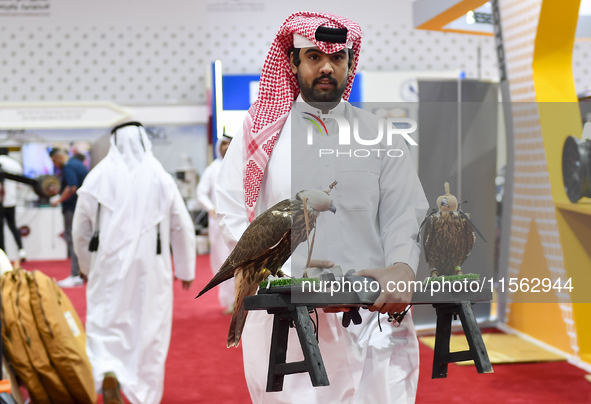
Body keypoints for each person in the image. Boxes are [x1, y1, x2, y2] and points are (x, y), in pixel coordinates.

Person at [215, 11, 429, 404]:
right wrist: (276, 271)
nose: (327, 66)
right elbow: (231, 211)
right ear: (293, 61)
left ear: (350, 62)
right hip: (288, 317)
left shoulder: (379, 133)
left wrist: (401, 266)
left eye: (338, 57)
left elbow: (404, 212)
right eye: (314, 56)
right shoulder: (261, 132)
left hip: (372, 314)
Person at [72, 122, 196, 404]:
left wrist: (85, 265)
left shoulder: (97, 176)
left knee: (105, 322)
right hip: (152, 267)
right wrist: (186, 268)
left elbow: (80, 228)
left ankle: (108, 371)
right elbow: (182, 225)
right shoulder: (160, 177)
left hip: (107, 264)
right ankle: (143, 393)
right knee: (149, 327)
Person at [196, 132, 234, 314]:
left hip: (240, 222)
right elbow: (200, 193)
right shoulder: (212, 169)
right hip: (219, 224)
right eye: (224, 143)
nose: (227, 147)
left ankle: (243, 299)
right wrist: (211, 208)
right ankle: (229, 300)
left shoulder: (241, 165)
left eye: (230, 143)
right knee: (222, 262)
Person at [50, 148, 89, 287]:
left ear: (59, 157)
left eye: (54, 161)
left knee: (73, 240)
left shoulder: (69, 167)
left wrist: (58, 200)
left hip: (72, 209)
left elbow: (72, 187)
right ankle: (82, 273)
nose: (55, 164)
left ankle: (76, 275)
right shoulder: (77, 164)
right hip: (81, 208)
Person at [0, 149, 26, 259]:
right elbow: (20, 186)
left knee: (0, 229)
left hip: (2, 201)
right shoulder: (15, 164)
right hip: (11, 201)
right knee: (13, 226)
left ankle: (3, 254)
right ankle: (21, 250)